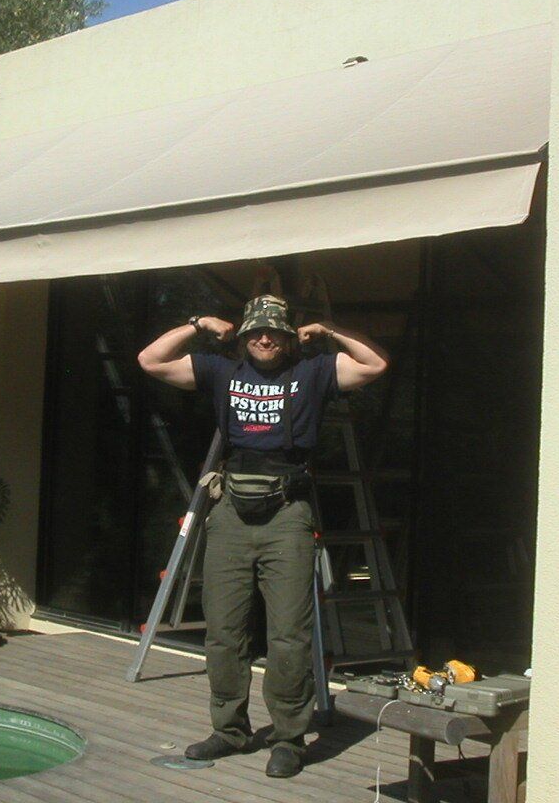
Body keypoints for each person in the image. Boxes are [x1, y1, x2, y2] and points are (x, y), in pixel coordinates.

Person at [138, 293, 389, 778]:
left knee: (289, 635)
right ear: (245, 336)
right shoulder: (221, 371)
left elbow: (375, 364)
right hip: (230, 512)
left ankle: (289, 739)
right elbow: (151, 360)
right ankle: (229, 730)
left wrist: (329, 330)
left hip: (288, 515)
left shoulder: (313, 372)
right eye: (257, 331)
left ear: (289, 337)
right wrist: (198, 324)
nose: (265, 339)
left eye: (274, 331)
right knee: (223, 631)